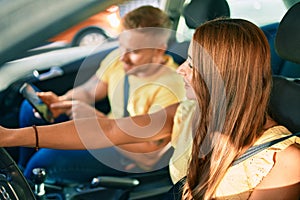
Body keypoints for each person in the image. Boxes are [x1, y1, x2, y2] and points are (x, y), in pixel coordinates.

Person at [1, 18, 300, 199]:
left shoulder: (284, 160)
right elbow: (108, 129)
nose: (181, 70)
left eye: (193, 64)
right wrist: (12, 137)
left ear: (222, 75)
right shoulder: (187, 114)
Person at [18, 5, 186, 183]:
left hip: (126, 153)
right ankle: (19, 174)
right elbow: (88, 91)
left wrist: (96, 121)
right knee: (29, 109)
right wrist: (60, 102)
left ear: (159, 50)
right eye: (122, 46)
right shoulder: (118, 60)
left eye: (135, 51)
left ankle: (24, 185)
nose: (123, 58)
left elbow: (149, 153)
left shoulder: (172, 88)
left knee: (43, 160)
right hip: (106, 130)